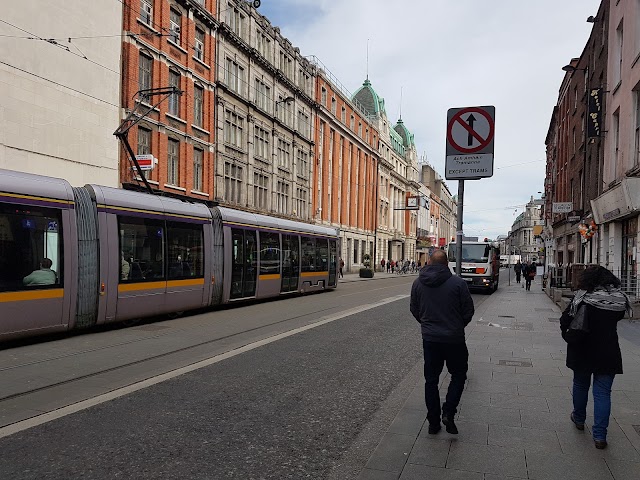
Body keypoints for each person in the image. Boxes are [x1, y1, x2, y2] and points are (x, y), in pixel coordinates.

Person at [559, 266, 632, 450]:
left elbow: (565, 320)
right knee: (603, 393)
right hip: (608, 351)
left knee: (581, 384)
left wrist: (566, 332)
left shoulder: (583, 297)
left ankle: (579, 418)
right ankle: (600, 436)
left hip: (583, 349)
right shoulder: (619, 298)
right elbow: (618, 318)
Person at [410, 249, 475, 435]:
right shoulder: (458, 283)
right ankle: (449, 411)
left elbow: (414, 309)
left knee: (431, 380)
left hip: (430, 339)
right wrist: (457, 326)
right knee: (459, 375)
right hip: (454, 339)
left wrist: (426, 325)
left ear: (429, 262)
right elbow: (468, 311)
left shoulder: (417, 283)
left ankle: (433, 423)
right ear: (447, 264)